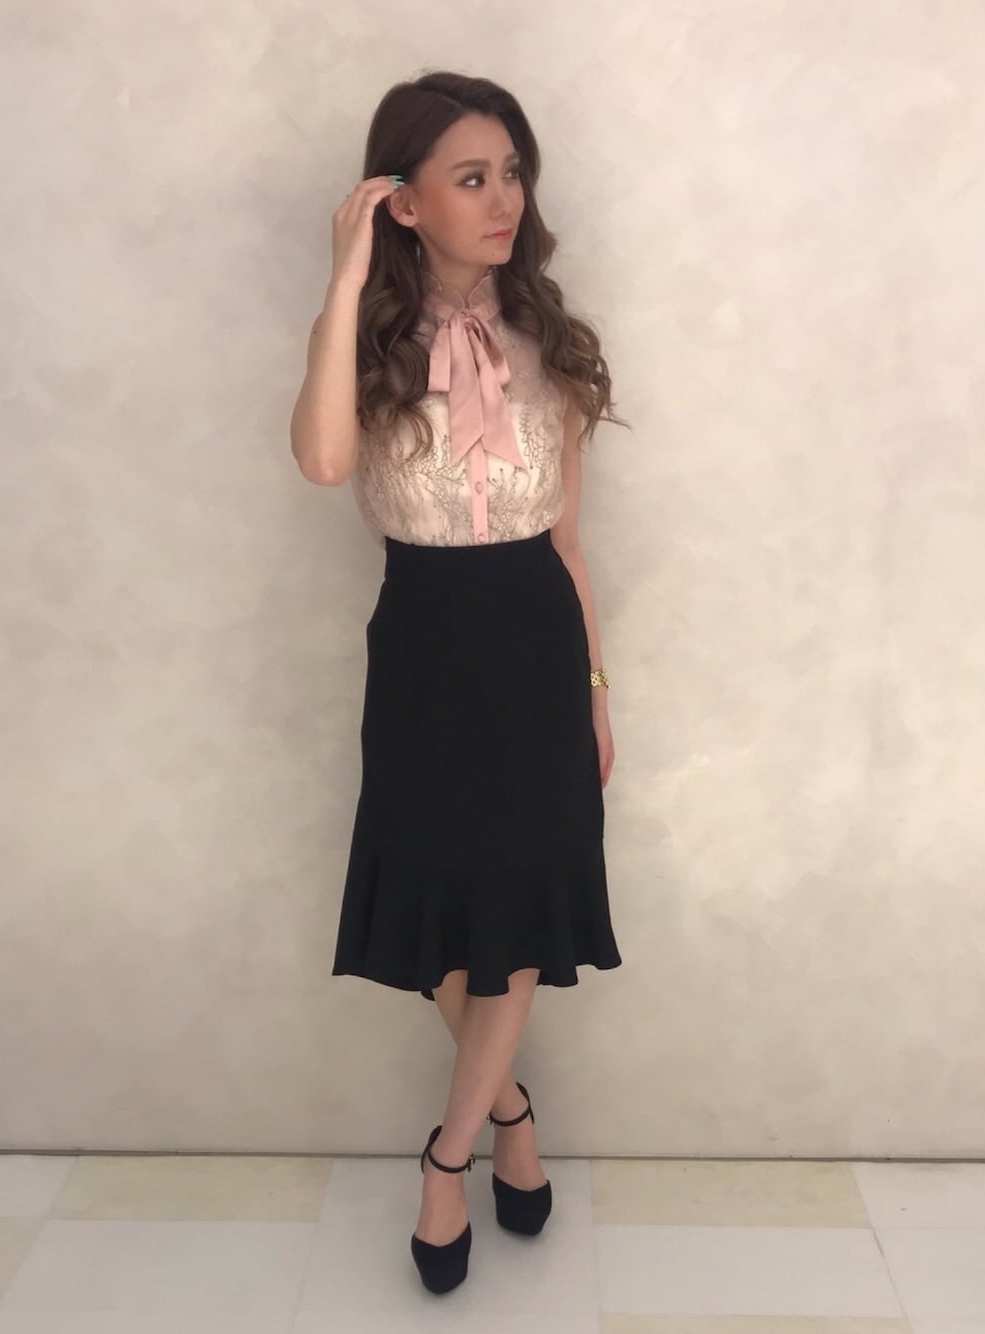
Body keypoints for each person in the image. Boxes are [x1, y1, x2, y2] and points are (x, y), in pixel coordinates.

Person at [289, 70, 627, 1295]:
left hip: (534, 637)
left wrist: (595, 686)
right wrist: (342, 282)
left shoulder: (549, 342)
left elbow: (569, 541)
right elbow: (324, 462)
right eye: (471, 177)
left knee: (520, 903)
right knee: (438, 900)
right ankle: (512, 1111)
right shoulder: (364, 343)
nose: (502, 200)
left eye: (511, 173)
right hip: (424, 642)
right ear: (405, 201)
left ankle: (448, 1156)